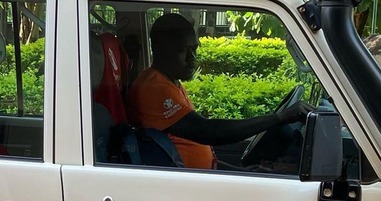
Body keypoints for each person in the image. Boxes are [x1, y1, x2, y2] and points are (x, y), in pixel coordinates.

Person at [127, 13, 313, 170]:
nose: (192, 59)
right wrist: (278, 118)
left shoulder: (170, 82)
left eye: (194, 50)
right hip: (182, 187)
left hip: (194, 178)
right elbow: (207, 131)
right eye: (183, 51)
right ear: (160, 50)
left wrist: (241, 171)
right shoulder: (153, 87)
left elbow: (191, 142)